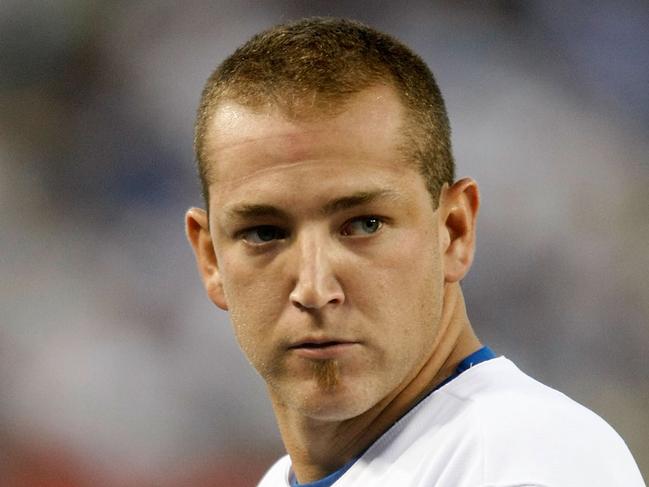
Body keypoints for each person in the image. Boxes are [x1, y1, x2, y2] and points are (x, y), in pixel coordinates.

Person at [185, 17, 645, 487]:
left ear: (454, 230)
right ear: (210, 259)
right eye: (264, 233)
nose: (315, 289)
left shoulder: (528, 457)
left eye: (364, 224)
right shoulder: (281, 478)